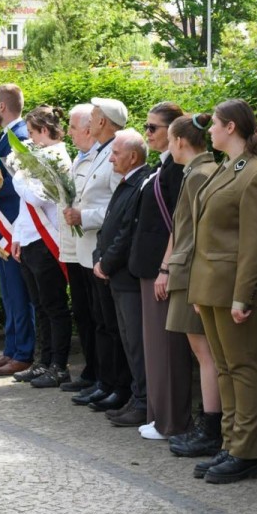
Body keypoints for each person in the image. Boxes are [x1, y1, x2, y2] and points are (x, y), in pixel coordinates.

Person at [188, 99, 257, 484]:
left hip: (234, 290)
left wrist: (244, 294)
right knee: (225, 369)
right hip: (211, 286)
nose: (208, 130)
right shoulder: (228, 167)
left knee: (243, 369)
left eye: (215, 124)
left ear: (231, 128)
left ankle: (245, 452)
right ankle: (229, 444)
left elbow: (256, 244)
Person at [126, 102, 193, 437]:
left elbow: (178, 224)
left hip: (162, 268)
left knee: (166, 349)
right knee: (155, 346)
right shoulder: (164, 166)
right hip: (150, 265)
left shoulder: (178, 171)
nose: (147, 133)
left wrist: (166, 268)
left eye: (153, 128)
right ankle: (158, 414)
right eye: (147, 126)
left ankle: (170, 421)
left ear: (174, 131)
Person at [161, 114, 222, 455]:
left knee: (205, 353)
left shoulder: (200, 174)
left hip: (192, 274)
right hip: (189, 272)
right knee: (205, 353)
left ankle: (211, 427)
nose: (169, 147)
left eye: (170, 140)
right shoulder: (198, 172)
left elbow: (199, 234)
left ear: (181, 142)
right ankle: (210, 424)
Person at [67, 99, 128, 409]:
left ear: (103, 122)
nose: (89, 122)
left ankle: (117, 384)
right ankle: (104, 381)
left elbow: (120, 206)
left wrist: (84, 216)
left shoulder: (117, 151)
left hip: (104, 249)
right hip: (89, 248)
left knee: (110, 324)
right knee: (99, 321)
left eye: (93, 117)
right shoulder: (101, 152)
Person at [10, 105, 74, 388]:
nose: (30, 138)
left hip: (47, 241)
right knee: (39, 305)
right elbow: (26, 208)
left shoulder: (58, 157)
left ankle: (59, 365)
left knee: (54, 306)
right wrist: (17, 235)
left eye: (33, 132)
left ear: (46, 131)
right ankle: (42, 361)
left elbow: (38, 197)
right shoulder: (36, 157)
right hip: (30, 239)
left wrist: (17, 174)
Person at [94, 129, 152, 423]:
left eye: (115, 154)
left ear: (132, 157)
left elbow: (128, 231)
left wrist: (106, 262)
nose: (110, 159)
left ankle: (143, 402)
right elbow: (108, 226)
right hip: (116, 274)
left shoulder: (141, 182)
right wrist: (99, 257)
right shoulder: (127, 182)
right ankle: (136, 397)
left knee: (137, 344)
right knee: (129, 341)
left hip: (127, 276)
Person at [0, 84, 35, 378]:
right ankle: (11, 350)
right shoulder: (6, 136)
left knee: (18, 294)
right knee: (10, 295)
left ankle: (23, 352)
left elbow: (17, 185)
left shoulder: (19, 137)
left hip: (12, 226)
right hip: (2, 227)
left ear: (2, 106)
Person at [57, 103, 100, 393]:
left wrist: (81, 216)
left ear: (88, 128)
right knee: (83, 314)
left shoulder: (102, 156)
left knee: (98, 317)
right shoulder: (79, 157)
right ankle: (91, 372)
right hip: (75, 247)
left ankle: (101, 375)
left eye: (72, 127)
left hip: (93, 247)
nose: (68, 132)